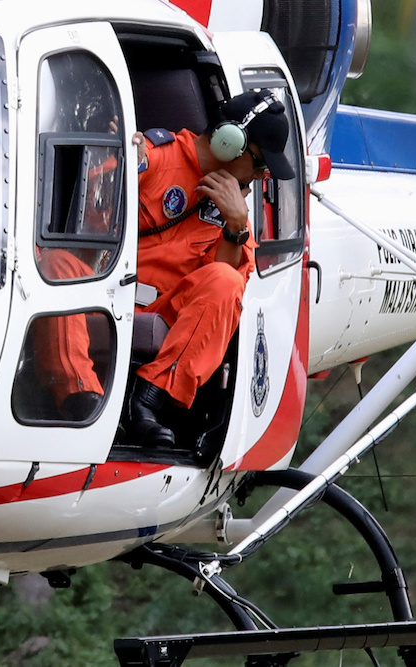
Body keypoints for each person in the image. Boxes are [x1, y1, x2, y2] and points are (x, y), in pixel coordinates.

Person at [124, 89, 296, 448]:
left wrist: (235, 226)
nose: (262, 176)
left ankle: (147, 401)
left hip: (165, 313)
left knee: (226, 281)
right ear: (229, 143)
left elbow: (222, 295)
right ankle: (82, 400)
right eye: (260, 165)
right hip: (105, 296)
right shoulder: (155, 158)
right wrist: (124, 162)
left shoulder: (236, 213)